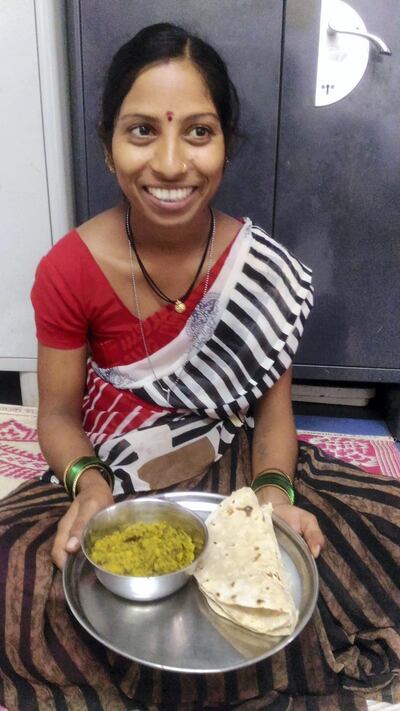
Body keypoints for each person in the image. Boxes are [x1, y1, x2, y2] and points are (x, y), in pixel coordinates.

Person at [0, 22, 398, 711]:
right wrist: (87, 487)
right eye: (143, 130)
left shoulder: (260, 272)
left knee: (326, 559)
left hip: (233, 461)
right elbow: (60, 414)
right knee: (23, 571)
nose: (171, 164)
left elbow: (275, 419)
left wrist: (274, 494)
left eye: (198, 132)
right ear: (107, 144)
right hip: (113, 467)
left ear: (226, 145)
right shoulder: (68, 269)